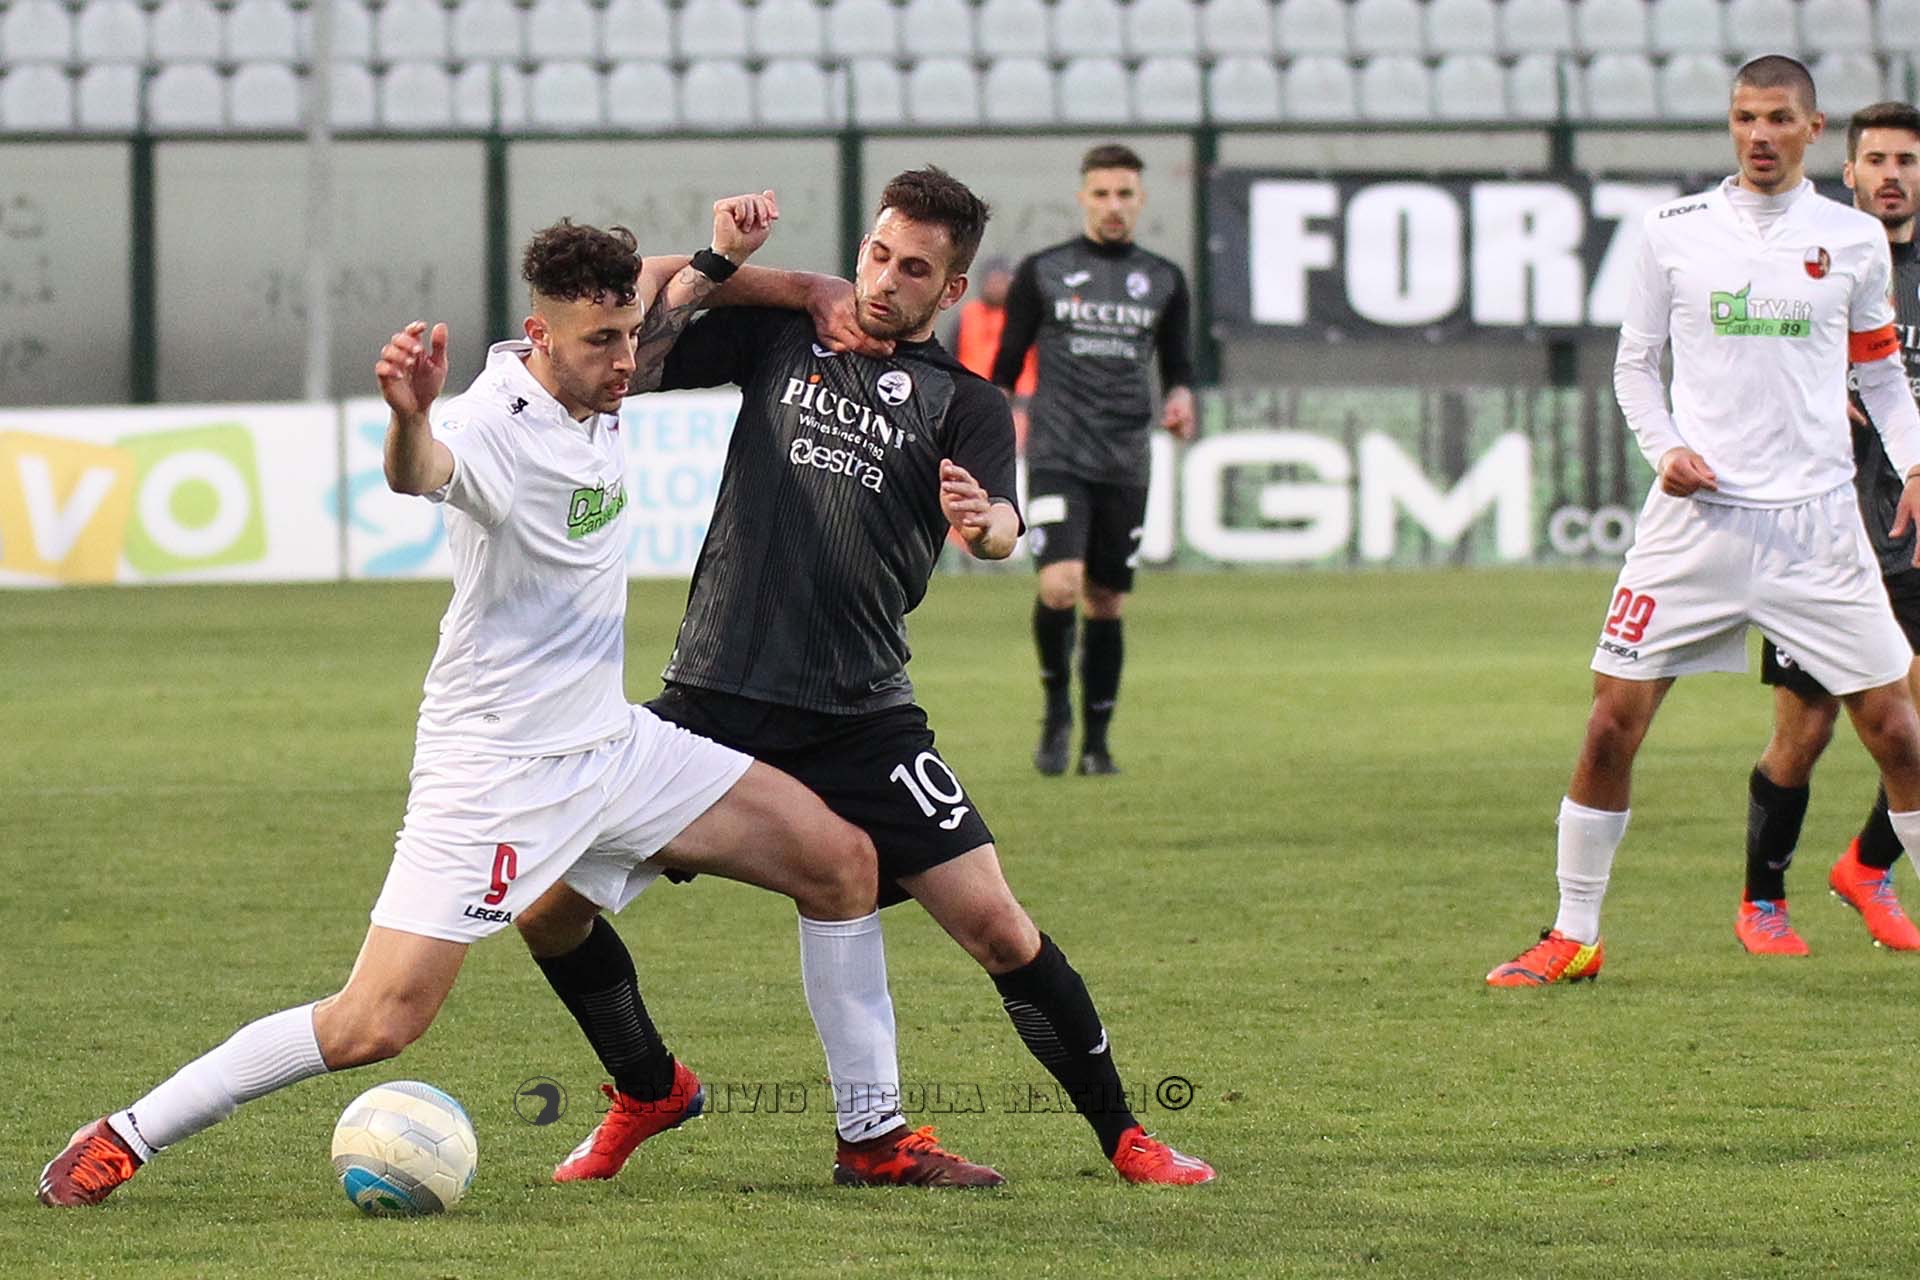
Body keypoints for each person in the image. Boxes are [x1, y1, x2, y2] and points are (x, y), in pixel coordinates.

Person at [37, 195, 933, 1206]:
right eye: (601, 343)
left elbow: (664, 283)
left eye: (629, 334)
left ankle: (871, 1139)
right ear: (539, 336)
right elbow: (424, 472)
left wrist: (768, 273)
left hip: (614, 746)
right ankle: (124, 1133)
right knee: (375, 1022)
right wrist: (408, 416)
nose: (627, 361)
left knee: (840, 861)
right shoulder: (489, 426)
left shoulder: (602, 366)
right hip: (495, 771)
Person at [533, 167, 1214, 1186]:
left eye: (917, 270)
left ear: (953, 289)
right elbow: (640, 309)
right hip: (712, 703)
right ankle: (650, 1084)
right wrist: (770, 275)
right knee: (545, 902)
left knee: (998, 926)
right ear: (862, 248)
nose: (889, 280)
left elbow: (1004, 524)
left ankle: (1126, 1138)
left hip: (861, 718)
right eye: (879, 255)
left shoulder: (965, 402)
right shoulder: (782, 337)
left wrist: (988, 526)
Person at [1487, 56, 1920, 988]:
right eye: (1744, 117)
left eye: (1778, 118)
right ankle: (1574, 934)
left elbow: (1882, 374)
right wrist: (1666, 448)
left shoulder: (1851, 240)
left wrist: (1916, 459)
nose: (1759, 134)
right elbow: (1634, 367)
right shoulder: (1673, 230)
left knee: (1897, 732)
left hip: (1815, 527)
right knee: (1611, 723)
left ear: (1813, 130)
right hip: (1695, 524)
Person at [1735, 101, 1920, 956]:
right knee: (1804, 732)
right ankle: (1762, 901)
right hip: (1818, 530)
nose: (1892, 176)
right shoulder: (1810, 262)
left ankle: (1867, 866)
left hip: (1909, 532)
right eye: (1876, 160)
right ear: (1848, 172)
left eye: (1907, 162)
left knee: (1912, 735)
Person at [992, 143, 1196, 778]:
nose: (1114, 206)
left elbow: (1179, 365)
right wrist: (992, 430)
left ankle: (1097, 743)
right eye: (1102, 193)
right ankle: (1057, 709)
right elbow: (1005, 367)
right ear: (1083, 197)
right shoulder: (1044, 271)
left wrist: (1181, 398)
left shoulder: (1165, 279)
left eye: (1125, 194)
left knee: (1106, 602)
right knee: (1060, 585)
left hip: (1126, 458)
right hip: (1057, 452)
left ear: (1141, 200)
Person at [948, 256, 1037, 448]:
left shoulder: (1022, 316)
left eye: (1001, 281)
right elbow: (951, 355)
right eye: (992, 281)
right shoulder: (968, 315)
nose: (996, 286)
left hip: (1019, 400)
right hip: (972, 395)